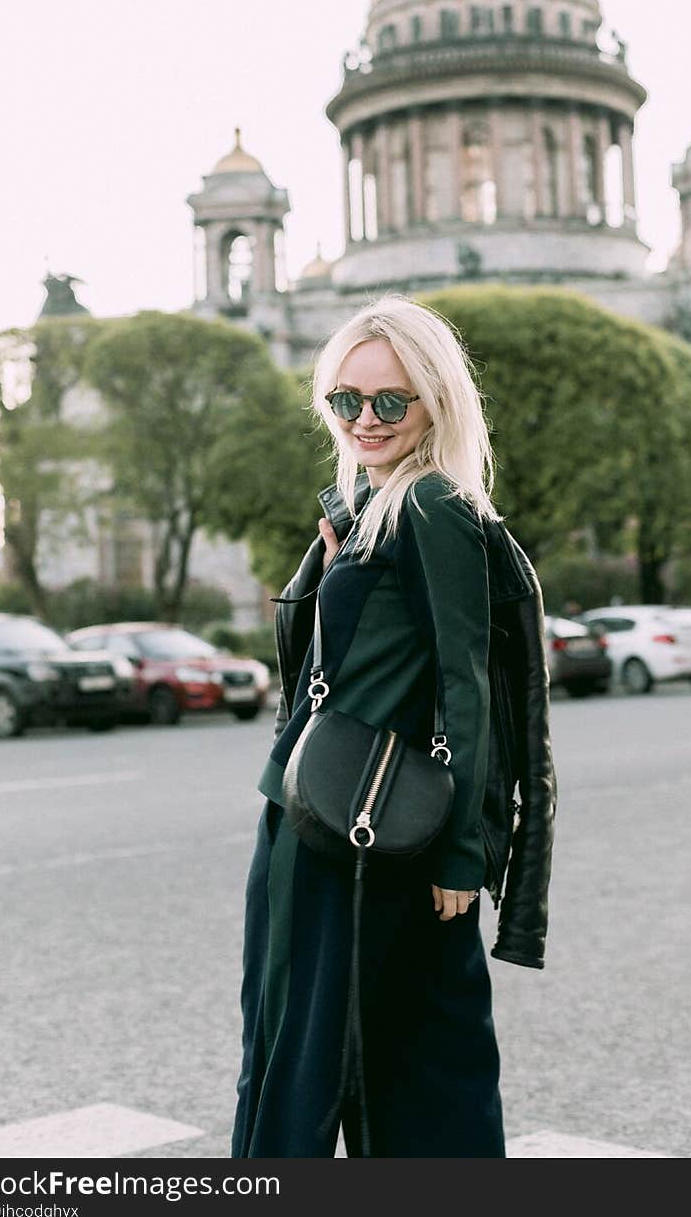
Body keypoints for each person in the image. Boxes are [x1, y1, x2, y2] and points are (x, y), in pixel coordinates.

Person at [231, 294, 555, 1159]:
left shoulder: (431, 506)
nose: (364, 420)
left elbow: (467, 684)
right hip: (324, 822)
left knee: (393, 1056)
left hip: (380, 833)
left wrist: (461, 853)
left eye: (390, 401)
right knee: (313, 1049)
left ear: (436, 402)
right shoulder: (363, 507)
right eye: (345, 400)